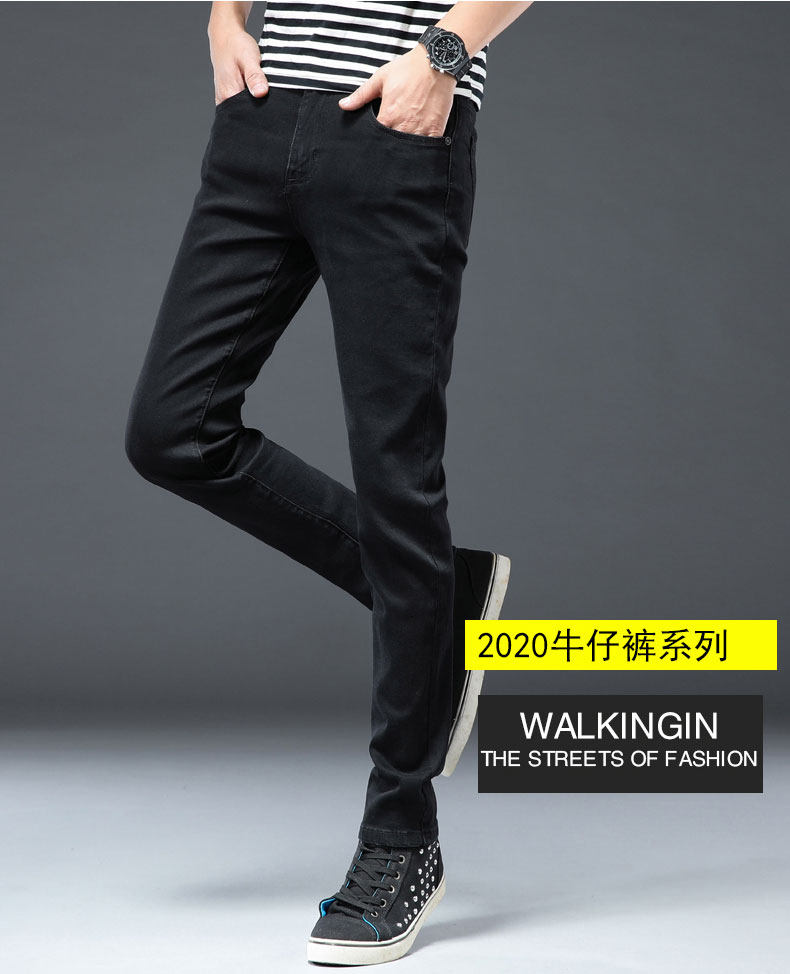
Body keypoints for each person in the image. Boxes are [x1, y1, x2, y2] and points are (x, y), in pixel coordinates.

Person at [125, 0, 531, 964]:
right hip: (261, 125)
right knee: (172, 431)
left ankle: (401, 836)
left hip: (396, 124)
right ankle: (443, 594)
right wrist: (223, 21)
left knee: (397, 477)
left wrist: (444, 54)